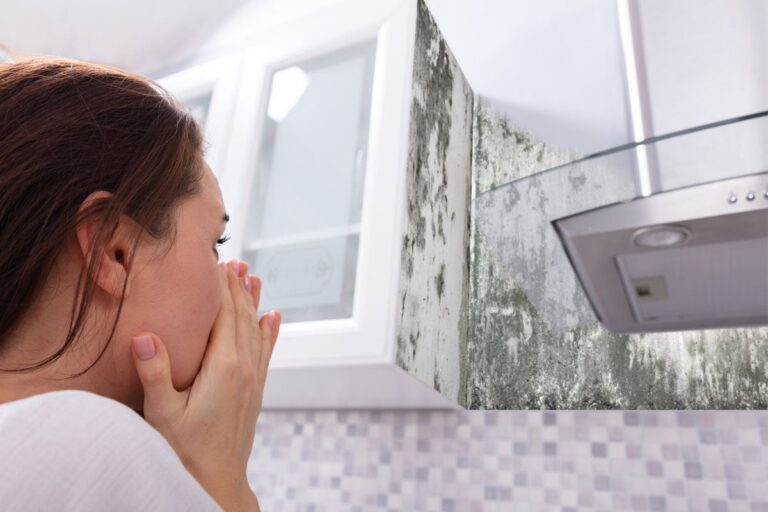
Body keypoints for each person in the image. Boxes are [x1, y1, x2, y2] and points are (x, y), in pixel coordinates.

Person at [0, 57, 282, 511]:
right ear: (113, 251)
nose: (233, 279)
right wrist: (222, 477)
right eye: (215, 243)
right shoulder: (92, 441)